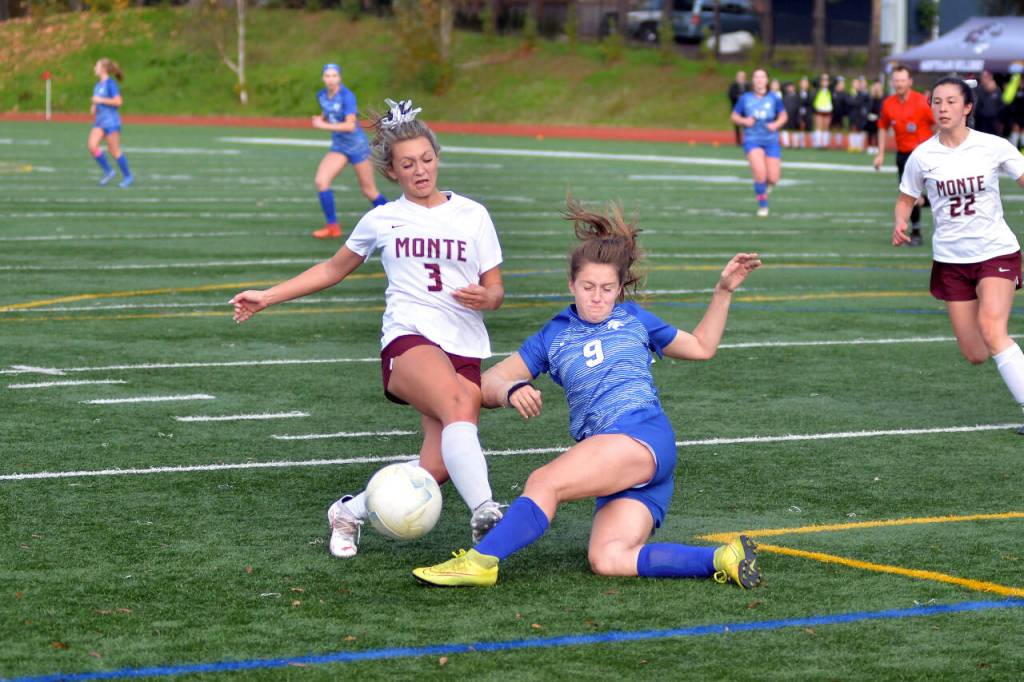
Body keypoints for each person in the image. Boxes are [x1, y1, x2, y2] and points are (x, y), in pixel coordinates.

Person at [411, 202, 763, 588]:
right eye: (588, 287)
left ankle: (481, 562)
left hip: (641, 436)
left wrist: (723, 290)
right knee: (609, 558)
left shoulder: (634, 319)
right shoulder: (554, 334)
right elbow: (491, 380)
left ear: (619, 288)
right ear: (571, 285)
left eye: (608, 288)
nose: (598, 297)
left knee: (544, 482)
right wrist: (512, 389)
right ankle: (724, 557)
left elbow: (701, 346)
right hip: (617, 462)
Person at [230, 99, 506, 557]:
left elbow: (496, 289)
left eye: (427, 160)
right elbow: (332, 269)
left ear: (438, 157)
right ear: (391, 172)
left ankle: (349, 512)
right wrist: (267, 296)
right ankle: (486, 511)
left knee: (435, 468)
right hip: (409, 338)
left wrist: (487, 297)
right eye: (407, 164)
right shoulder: (382, 219)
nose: (421, 171)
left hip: (465, 345)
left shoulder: (473, 215)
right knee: (458, 403)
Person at [893, 76, 1024, 435]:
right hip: (951, 261)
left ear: (967, 107)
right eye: (937, 102)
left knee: (992, 328)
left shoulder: (992, 146)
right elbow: (907, 195)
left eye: (951, 101)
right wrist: (900, 222)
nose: (943, 108)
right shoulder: (922, 156)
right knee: (976, 352)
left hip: (995, 250)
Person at [310, 63, 388, 239]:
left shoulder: (347, 96)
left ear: (340, 78)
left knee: (369, 190)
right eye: (327, 76)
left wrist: (323, 125)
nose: (331, 79)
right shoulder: (321, 95)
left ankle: (398, 221)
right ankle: (332, 227)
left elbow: (351, 125)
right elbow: (328, 110)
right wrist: (320, 117)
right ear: (323, 78)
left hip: (357, 147)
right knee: (321, 181)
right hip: (339, 146)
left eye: (334, 76)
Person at [874, 64, 935, 246]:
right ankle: (916, 232)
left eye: (902, 80)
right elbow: (882, 127)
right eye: (896, 80)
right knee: (909, 195)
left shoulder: (923, 101)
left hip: (926, 155)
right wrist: (880, 154)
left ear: (910, 81)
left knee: (937, 192)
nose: (899, 84)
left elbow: (938, 124)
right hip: (903, 157)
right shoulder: (888, 103)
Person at [730, 68, 787, 217]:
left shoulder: (774, 98)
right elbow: (734, 116)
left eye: (762, 77)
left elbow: (783, 116)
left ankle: (763, 188)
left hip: (771, 141)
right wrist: (744, 121)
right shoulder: (745, 98)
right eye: (756, 77)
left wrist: (776, 124)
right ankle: (763, 206)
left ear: (767, 80)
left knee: (773, 178)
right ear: (753, 80)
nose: (759, 80)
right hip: (752, 139)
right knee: (760, 174)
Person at [87, 58, 133, 188]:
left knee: (114, 150)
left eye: (96, 66)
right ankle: (108, 171)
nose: (94, 68)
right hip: (100, 122)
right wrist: (94, 106)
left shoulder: (110, 84)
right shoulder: (97, 85)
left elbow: (118, 102)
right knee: (92, 146)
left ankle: (128, 176)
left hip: (111, 122)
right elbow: (97, 101)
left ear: (103, 69)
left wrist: (100, 100)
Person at [974, 71, 1004, 136]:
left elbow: (1001, 105)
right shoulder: (977, 90)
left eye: (988, 77)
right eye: (984, 77)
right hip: (981, 122)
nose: (986, 79)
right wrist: (987, 92)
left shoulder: (997, 89)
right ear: (981, 78)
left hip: (994, 121)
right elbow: (977, 107)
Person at [847, 76, 870, 152]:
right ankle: (852, 146)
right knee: (853, 129)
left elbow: (862, 102)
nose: (856, 85)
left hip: (860, 115)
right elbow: (849, 102)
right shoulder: (850, 93)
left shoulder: (862, 93)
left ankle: (858, 146)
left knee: (859, 130)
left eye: (857, 83)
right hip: (852, 114)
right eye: (854, 83)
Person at [811, 73, 833, 149]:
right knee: (818, 126)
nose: (825, 82)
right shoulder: (817, 89)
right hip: (819, 109)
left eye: (826, 80)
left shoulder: (830, 90)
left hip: (827, 110)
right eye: (823, 80)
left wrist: (827, 76)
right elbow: (814, 81)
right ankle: (818, 143)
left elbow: (834, 81)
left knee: (826, 127)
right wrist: (821, 77)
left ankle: (825, 143)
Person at [728, 70, 749, 146]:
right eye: (739, 76)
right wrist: (737, 97)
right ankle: (738, 141)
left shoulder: (748, 85)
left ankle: (746, 140)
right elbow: (730, 95)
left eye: (742, 76)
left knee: (746, 125)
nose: (741, 78)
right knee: (737, 125)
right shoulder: (733, 86)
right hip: (736, 108)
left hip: (746, 109)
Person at [865, 80, 884, 155]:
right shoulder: (870, 97)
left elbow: (882, 107)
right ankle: (870, 146)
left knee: (877, 132)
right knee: (870, 132)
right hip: (870, 116)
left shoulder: (882, 97)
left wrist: (879, 116)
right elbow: (868, 106)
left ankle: (876, 146)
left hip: (878, 117)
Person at [781, 82, 801, 148]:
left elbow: (799, 106)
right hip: (786, 115)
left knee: (795, 129)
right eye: (789, 87)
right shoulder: (784, 96)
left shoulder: (797, 96)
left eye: (791, 87)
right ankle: (786, 144)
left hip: (795, 115)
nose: (790, 88)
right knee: (785, 129)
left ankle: (795, 143)